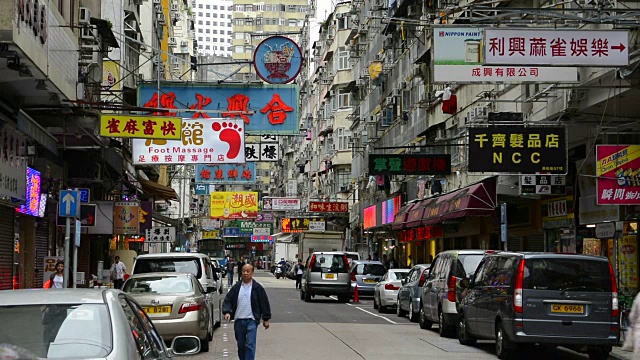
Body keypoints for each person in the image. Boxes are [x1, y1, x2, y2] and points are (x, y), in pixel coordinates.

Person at [222, 264, 271, 360]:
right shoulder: (236, 287)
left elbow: (264, 303)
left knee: (250, 345)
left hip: (251, 320)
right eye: (244, 271)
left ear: (252, 273)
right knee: (241, 346)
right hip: (239, 320)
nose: (245, 273)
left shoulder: (257, 288)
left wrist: (266, 319)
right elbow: (228, 300)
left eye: (248, 271)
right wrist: (227, 312)